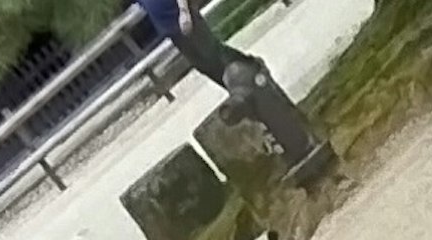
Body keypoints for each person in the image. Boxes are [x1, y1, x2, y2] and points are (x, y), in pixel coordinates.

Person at [131, 0, 335, 182]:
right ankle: (245, 91)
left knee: (216, 56)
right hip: (171, 31)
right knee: (205, 66)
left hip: (183, 18)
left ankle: (252, 71)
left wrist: (184, 9)